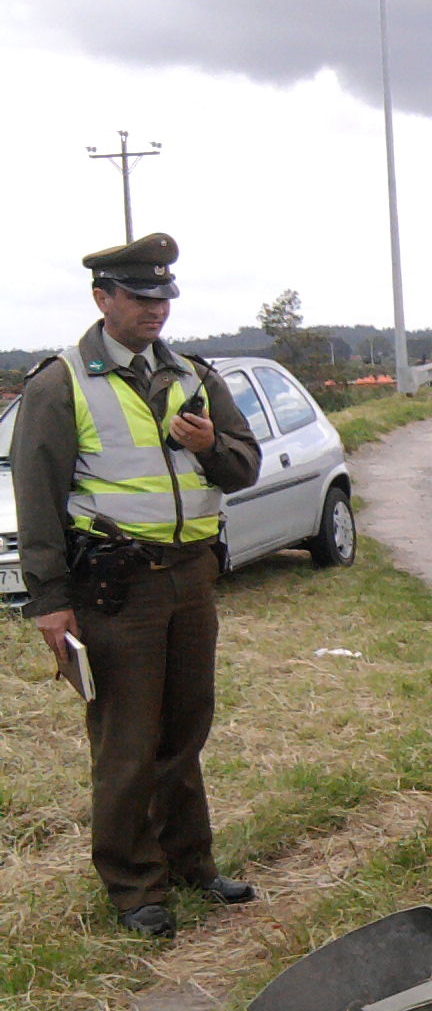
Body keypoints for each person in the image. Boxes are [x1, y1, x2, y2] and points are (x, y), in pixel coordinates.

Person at [10, 233, 261, 939]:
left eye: (163, 297)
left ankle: (190, 864)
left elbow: (243, 466)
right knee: (127, 739)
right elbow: (37, 498)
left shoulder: (194, 376)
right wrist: (49, 601)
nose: (156, 309)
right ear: (103, 298)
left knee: (185, 727)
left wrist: (211, 445)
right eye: (140, 297)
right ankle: (134, 886)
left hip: (192, 578)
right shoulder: (61, 384)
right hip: (116, 589)